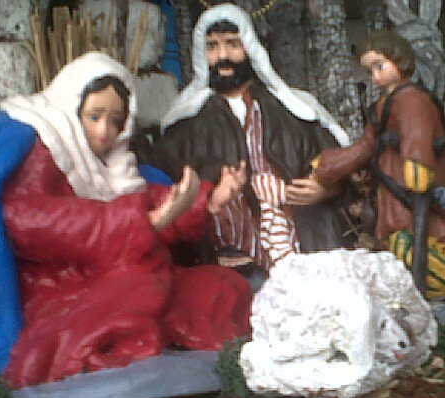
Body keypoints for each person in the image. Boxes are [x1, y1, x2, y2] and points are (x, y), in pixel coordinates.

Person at [0, 51, 252, 388]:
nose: (105, 131)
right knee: (127, 311)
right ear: (72, 107)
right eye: (95, 117)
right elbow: (25, 219)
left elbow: (143, 200)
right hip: (56, 282)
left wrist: (207, 200)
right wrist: (136, 222)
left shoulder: (113, 162)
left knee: (222, 288)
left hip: (110, 271)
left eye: (115, 120)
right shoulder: (45, 149)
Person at [148, 4, 351, 284]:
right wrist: (210, 199)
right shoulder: (186, 125)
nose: (222, 56)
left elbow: (342, 165)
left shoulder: (293, 109)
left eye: (233, 44)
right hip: (229, 258)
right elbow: (160, 191)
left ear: (250, 47)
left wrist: (326, 187)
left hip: (304, 242)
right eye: (212, 46)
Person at [314, 30, 445, 301]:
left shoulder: (412, 99)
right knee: (393, 238)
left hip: (408, 182)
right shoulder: (383, 104)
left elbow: (417, 133)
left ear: (399, 61)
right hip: (390, 182)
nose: (375, 76)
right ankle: (415, 294)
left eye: (380, 66)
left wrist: (417, 165)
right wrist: (331, 165)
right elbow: (366, 145)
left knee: (409, 237)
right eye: (370, 71)